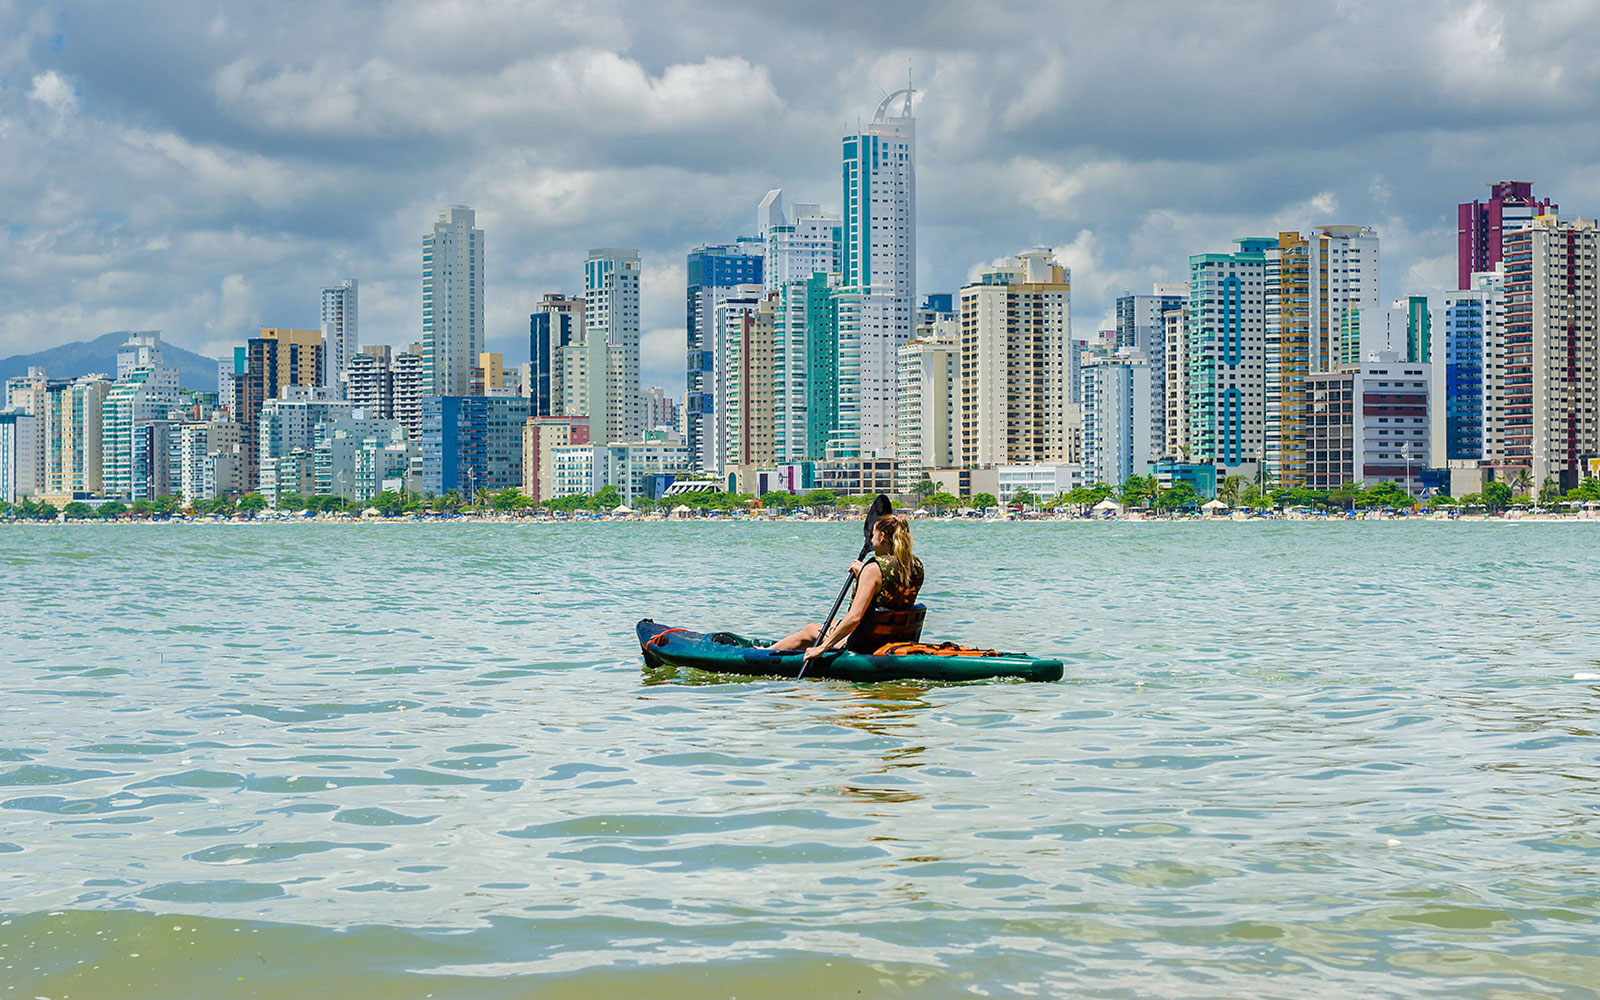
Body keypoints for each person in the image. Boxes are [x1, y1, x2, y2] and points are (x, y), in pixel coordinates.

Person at [773, 512, 925, 661]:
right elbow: (891, 595)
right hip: (895, 636)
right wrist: (863, 574)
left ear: (882, 536)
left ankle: (762, 655)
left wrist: (822, 648)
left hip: (865, 643)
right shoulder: (915, 564)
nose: (871, 541)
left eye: (872, 535)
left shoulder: (873, 569)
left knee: (811, 629)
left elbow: (854, 617)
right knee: (830, 624)